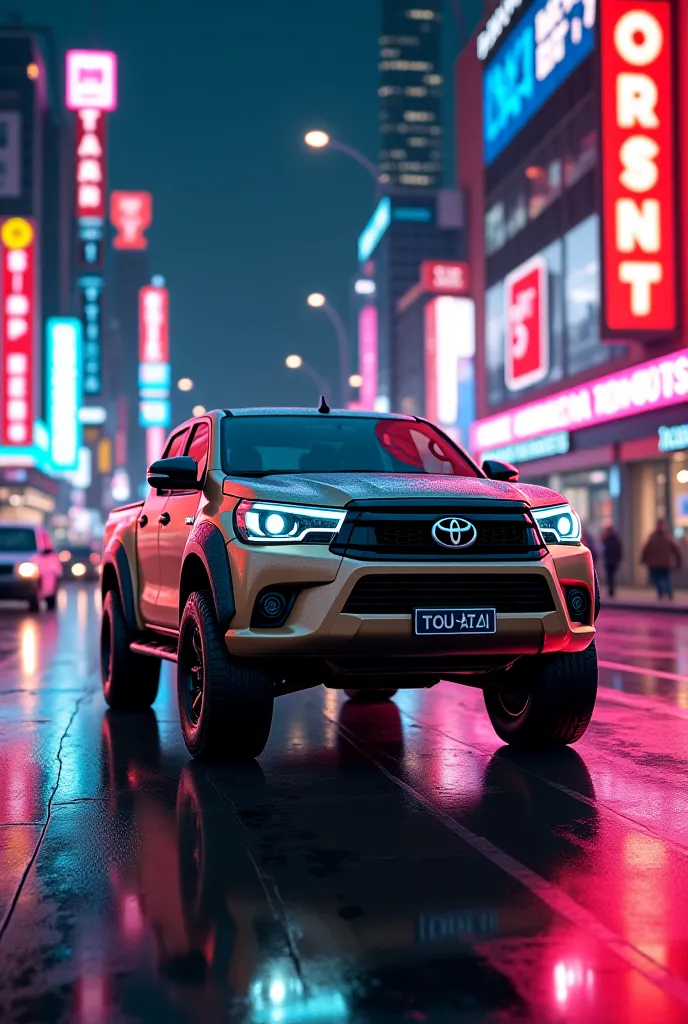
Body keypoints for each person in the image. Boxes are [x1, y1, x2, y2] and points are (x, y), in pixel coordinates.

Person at [641, 519, 682, 600]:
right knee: (662, 579)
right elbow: (646, 549)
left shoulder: (655, 537)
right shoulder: (665, 537)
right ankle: (666, 593)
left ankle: (664, 593)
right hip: (660, 563)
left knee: (661, 579)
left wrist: (643, 559)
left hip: (659, 563)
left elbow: (646, 549)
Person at [601, 523, 623, 597]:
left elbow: (618, 549)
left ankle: (611, 591)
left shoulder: (614, 539)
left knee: (611, 576)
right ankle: (611, 591)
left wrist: (619, 558)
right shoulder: (606, 539)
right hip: (609, 560)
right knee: (609, 576)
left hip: (613, 560)